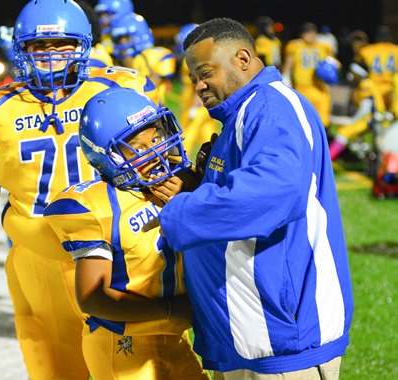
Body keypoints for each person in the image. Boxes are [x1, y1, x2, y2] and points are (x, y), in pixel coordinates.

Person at [0, 1, 159, 379]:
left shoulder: (116, 88)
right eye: (40, 46)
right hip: (38, 263)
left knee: (133, 369)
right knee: (54, 370)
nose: (51, 55)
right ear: (22, 49)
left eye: (63, 43)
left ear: (83, 45)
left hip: (114, 255)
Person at [144, 18, 354, 379]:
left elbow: (273, 193)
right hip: (251, 336)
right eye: (194, 78)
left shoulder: (270, 109)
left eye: (205, 72)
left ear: (243, 58)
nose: (198, 85)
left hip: (281, 342)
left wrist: (180, 212)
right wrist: (198, 188)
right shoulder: (245, 113)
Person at [43, 87, 209, 379]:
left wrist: (195, 196)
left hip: (174, 337)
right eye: (139, 147)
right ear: (109, 157)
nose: (157, 150)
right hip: (123, 343)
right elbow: (93, 298)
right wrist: (171, 309)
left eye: (156, 138)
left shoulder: (181, 183)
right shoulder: (98, 206)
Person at [173, 23, 220, 160]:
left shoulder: (191, 62)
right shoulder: (207, 59)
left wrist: (194, 105)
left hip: (197, 105)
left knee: (186, 137)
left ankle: (178, 161)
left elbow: (198, 85)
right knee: (210, 137)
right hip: (207, 104)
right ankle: (217, 160)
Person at [110, 12, 176, 105]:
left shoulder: (155, 55)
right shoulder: (115, 62)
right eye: (119, 40)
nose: (123, 43)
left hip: (153, 108)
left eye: (126, 38)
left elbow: (149, 88)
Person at [329, 62, 391, 161]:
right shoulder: (360, 85)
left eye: (353, 73)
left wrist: (352, 120)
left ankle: (328, 158)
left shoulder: (365, 84)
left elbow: (366, 106)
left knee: (344, 132)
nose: (351, 76)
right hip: (368, 117)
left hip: (372, 118)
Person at [282, 22, 335, 127]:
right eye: (307, 32)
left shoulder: (324, 47)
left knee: (323, 123)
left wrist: (332, 68)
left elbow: (333, 64)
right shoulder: (295, 46)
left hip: (320, 89)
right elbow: (288, 66)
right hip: (301, 90)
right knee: (302, 123)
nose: (310, 35)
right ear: (302, 34)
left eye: (312, 32)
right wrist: (285, 78)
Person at [355, 25, 398, 110]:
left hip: (373, 91)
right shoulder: (396, 50)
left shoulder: (367, 50)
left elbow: (356, 71)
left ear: (377, 37)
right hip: (392, 92)